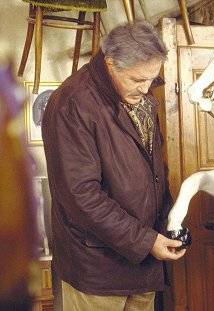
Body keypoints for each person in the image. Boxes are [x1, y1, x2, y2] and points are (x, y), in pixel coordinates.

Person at [42, 21, 186, 310]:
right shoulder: (73, 103)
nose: (146, 88)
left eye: (151, 79)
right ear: (110, 63)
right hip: (98, 270)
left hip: (143, 263)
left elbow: (154, 169)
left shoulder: (139, 95)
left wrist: (168, 223)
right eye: (137, 80)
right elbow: (80, 196)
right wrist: (146, 241)